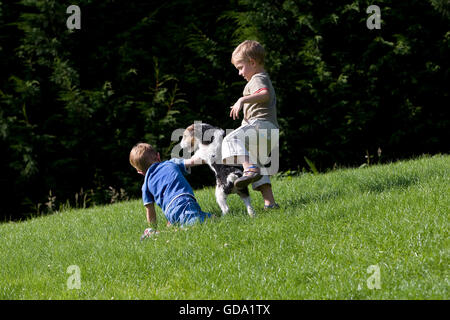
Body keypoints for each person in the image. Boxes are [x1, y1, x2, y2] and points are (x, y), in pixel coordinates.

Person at [223, 40, 279, 209]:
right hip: (269, 130)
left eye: (240, 68)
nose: (239, 73)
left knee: (229, 140)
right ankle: (270, 203)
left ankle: (249, 169)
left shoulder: (257, 78)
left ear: (252, 63)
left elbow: (264, 94)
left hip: (261, 126)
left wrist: (242, 99)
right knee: (259, 165)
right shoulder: (261, 77)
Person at [129, 143, 212, 235]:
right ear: (158, 157)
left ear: (140, 172)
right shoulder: (171, 163)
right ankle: (159, 234)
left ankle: (169, 226)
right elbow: (192, 161)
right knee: (196, 226)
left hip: (169, 212)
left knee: (211, 218)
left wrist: (152, 227)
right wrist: (212, 157)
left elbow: (150, 210)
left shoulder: (146, 185)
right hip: (183, 202)